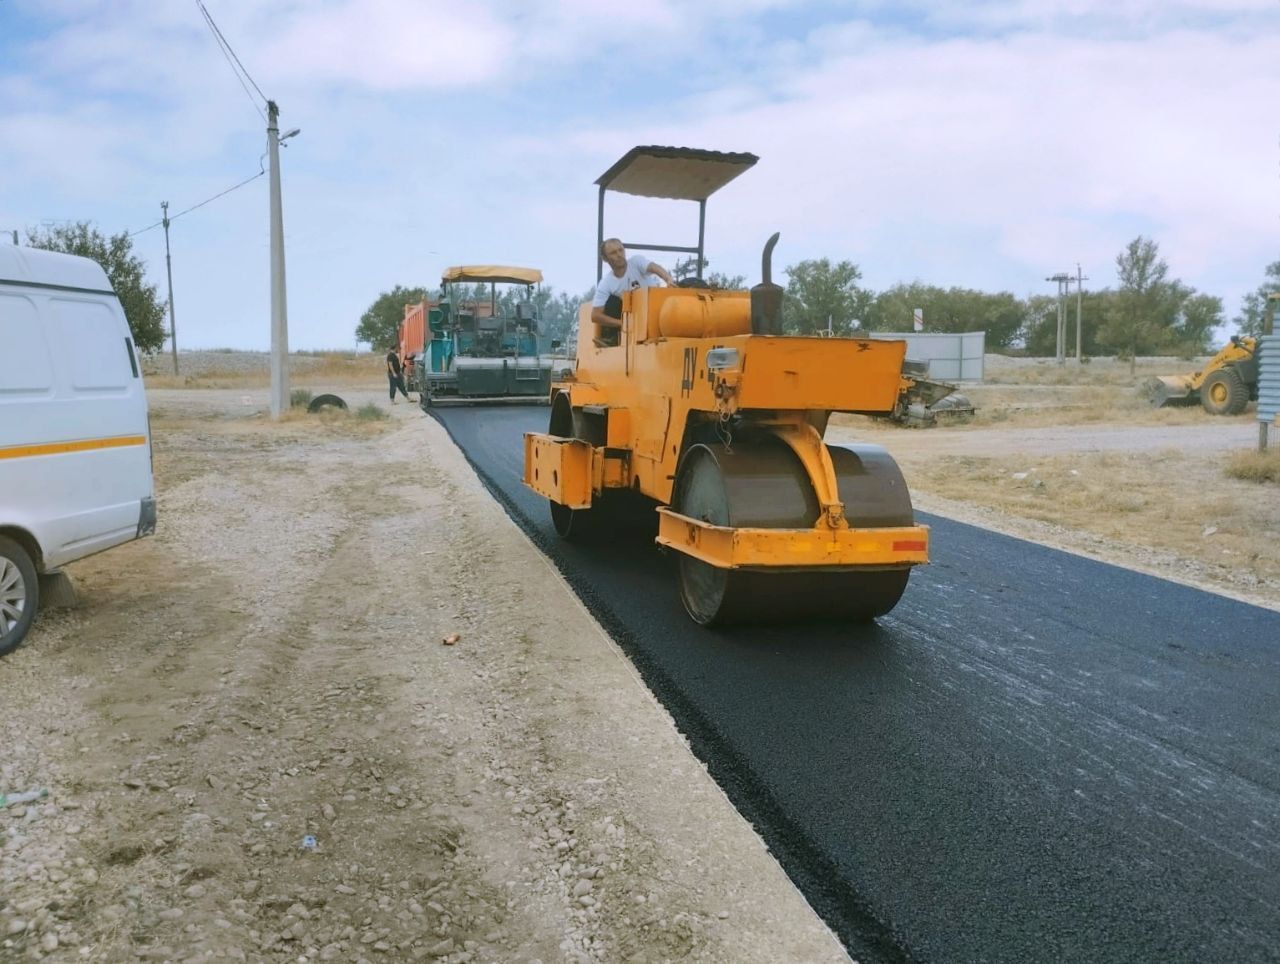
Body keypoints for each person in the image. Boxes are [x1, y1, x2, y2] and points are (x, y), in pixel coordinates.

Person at [590, 238, 676, 346]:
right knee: (611, 301)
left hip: (656, 311)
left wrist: (668, 278)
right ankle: (614, 339)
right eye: (613, 253)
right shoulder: (606, 283)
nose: (619, 255)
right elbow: (595, 315)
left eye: (621, 250)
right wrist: (622, 323)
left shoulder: (636, 262)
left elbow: (654, 267)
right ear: (605, 258)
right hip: (633, 319)